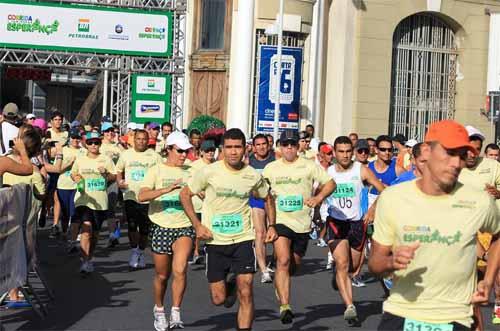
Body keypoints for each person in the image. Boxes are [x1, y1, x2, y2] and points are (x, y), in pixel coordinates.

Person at [369, 120, 500, 331]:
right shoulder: (393, 198)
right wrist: (391, 262)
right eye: (449, 153)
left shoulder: (479, 201)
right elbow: (375, 263)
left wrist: (488, 279)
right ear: (426, 152)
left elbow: (497, 236)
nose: (456, 163)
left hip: (455, 317)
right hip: (403, 314)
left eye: (461, 155)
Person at [179, 128, 278, 331]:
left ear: (245, 149)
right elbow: (185, 195)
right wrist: (197, 225)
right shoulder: (209, 171)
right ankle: (229, 285)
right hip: (215, 241)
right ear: (222, 149)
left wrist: (272, 225)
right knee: (218, 299)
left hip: (242, 238)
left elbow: (267, 197)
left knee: (247, 290)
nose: (233, 152)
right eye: (229, 147)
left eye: (238, 147)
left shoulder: (251, 175)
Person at [262, 129, 335, 324]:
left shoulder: (309, 166)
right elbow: (260, 190)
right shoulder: (271, 168)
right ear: (280, 146)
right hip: (280, 222)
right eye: (285, 145)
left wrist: (318, 197)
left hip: (302, 225)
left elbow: (330, 183)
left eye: (292, 145)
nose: (289, 149)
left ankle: (281, 281)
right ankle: (285, 306)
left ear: (298, 147)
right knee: (283, 261)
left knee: (293, 265)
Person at [323, 136, 385, 325]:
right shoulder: (329, 171)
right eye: (340, 151)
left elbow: (384, 190)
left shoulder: (361, 170)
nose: (345, 155)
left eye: (348, 151)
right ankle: (350, 306)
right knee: (342, 263)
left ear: (353, 152)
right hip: (336, 222)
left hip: (357, 223)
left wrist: (373, 210)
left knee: (352, 266)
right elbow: (318, 191)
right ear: (334, 153)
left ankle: (341, 276)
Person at [138, 131, 195, 330]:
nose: (183, 155)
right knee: (162, 276)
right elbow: (142, 196)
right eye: (180, 151)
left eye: (186, 152)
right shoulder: (156, 170)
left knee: (180, 270)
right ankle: (160, 309)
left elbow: (203, 190)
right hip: (161, 226)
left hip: (184, 226)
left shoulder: (191, 171)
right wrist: (165, 190)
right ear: (168, 149)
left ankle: (176, 311)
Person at [70, 132, 116, 274]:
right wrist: (77, 179)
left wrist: (106, 174)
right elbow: (73, 173)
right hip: (83, 199)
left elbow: (113, 176)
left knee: (95, 234)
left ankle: (89, 259)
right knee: (86, 230)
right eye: (90, 143)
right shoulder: (80, 159)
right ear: (86, 144)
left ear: (100, 144)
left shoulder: (106, 159)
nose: (93, 145)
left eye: (96, 142)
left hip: (100, 201)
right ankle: (84, 262)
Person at [116, 129, 162, 269]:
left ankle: (141, 252)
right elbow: (119, 170)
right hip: (130, 195)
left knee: (144, 229)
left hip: (147, 197)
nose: (141, 141)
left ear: (148, 141)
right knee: (131, 225)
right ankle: (134, 251)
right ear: (133, 140)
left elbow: (161, 173)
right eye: (138, 139)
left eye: (144, 139)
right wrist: (119, 182)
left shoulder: (154, 156)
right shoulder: (126, 154)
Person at [248, 133, 276, 283]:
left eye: (263, 144)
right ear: (253, 147)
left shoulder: (275, 160)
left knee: (273, 234)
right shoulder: (249, 162)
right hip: (256, 200)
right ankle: (264, 270)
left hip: (273, 200)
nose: (261, 147)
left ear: (268, 145)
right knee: (260, 233)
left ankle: (274, 261)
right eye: (257, 145)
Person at [57, 128, 87, 253]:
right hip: (64, 185)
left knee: (75, 212)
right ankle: (65, 232)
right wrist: (70, 163)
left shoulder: (84, 151)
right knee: (65, 213)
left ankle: (73, 239)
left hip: (77, 186)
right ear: (69, 138)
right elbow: (58, 169)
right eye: (73, 138)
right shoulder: (63, 150)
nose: (75, 140)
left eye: (78, 138)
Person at [188, 139, 217, 265]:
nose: (210, 153)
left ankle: (207, 250)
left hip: (212, 204)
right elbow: (194, 185)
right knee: (197, 230)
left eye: (212, 150)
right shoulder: (195, 166)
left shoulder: (217, 165)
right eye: (208, 151)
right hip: (197, 204)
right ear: (201, 152)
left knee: (210, 228)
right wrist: (202, 194)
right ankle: (195, 253)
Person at [100, 122, 123, 247]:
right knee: (97, 208)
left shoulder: (117, 147)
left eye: (111, 131)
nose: (110, 133)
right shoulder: (98, 145)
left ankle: (112, 235)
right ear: (103, 133)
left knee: (111, 209)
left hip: (113, 180)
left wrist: (119, 142)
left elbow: (126, 158)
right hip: (99, 180)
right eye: (107, 131)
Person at [367, 135, 405, 206]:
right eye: (383, 149)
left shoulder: (398, 169)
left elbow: (406, 191)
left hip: (389, 208)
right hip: (369, 209)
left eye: (389, 150)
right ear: (376, 150)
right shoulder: (368, 167)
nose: (387, 152)